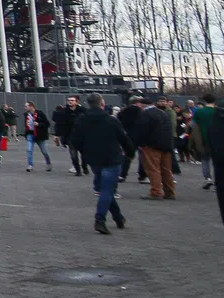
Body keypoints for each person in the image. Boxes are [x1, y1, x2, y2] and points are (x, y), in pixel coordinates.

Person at [69, 95, 131, 234]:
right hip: (111, 158)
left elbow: (75, 140)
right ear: (102, 104)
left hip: (94, 159)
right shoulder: (111, 120)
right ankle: (100, 219)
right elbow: (123, 138)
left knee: (104, 188)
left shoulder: (82, 120)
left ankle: (118, 217)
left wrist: (85, 152)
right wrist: (130, 153)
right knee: (107, 189)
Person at [131, 95, 176, 200]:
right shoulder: (163, 113)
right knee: (166, 170)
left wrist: (137, 144)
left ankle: (156, 192)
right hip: (166, 145)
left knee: (153, 169)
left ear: (142, 105)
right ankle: (170, 192)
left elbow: (142, 131)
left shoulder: (145, 114)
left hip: (151, 145)